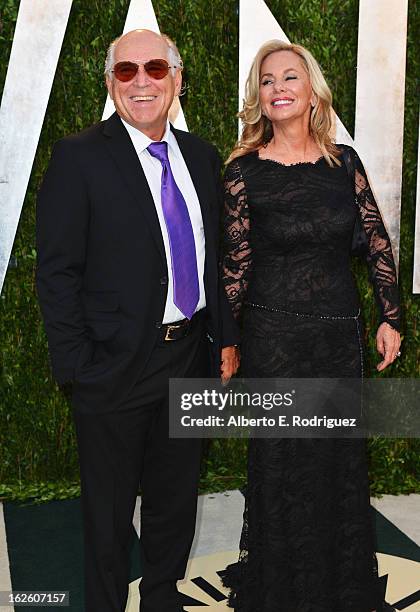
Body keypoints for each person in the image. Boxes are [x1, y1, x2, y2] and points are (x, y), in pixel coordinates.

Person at [36, 29, 239, 612]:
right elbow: (56, 273)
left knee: (175, 502)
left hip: (189, 358)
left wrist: (224, 341)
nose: (142, 81)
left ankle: (162, 597)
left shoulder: (201, 157)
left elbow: (215, 260)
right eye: (126, 72)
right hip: (114, 365)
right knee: (108, 510)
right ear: (111, 84)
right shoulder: (79, 157)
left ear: (177, 80)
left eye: (155, 68)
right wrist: (78, 368)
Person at [220, 40, 401, 611]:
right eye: (268, 80)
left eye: (289, 77)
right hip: (273, 341)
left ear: (311, 89)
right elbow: (234, 265)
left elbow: (376, 243)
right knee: (280, 458)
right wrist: (227, 341)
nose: (278, 88)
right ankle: (283, 588)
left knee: (336, 457)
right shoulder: (241, 172)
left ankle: (335, 583)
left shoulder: (344, 163)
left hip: (336, 340)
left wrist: (391, 316)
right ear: (259, 96)